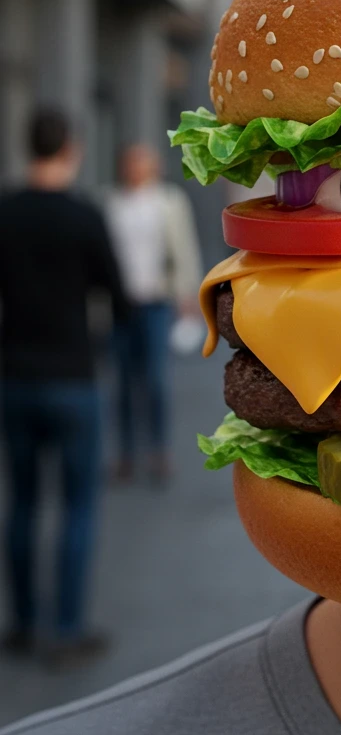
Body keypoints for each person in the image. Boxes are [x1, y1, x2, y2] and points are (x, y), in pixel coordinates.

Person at [0, 111, 129, 667]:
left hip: (15, 376)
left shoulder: (5, 213)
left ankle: (25, 624)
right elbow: (118, 296)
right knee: (77, 507)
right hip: (73, 377)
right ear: (71, 150)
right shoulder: (83, 215)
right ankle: (67, 628)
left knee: (23, 503)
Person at [105, 143, 202, 485]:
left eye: (142, 162)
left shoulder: (169, 202)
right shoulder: (111, 204)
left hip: (157, 301)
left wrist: (187, 294)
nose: (135, 168)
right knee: (123, 381)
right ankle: (126, 453)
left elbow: (183, 248)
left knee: (156, 380)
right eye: (131, 162)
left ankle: (159, 450)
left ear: (154, 167)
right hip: (121, 304)